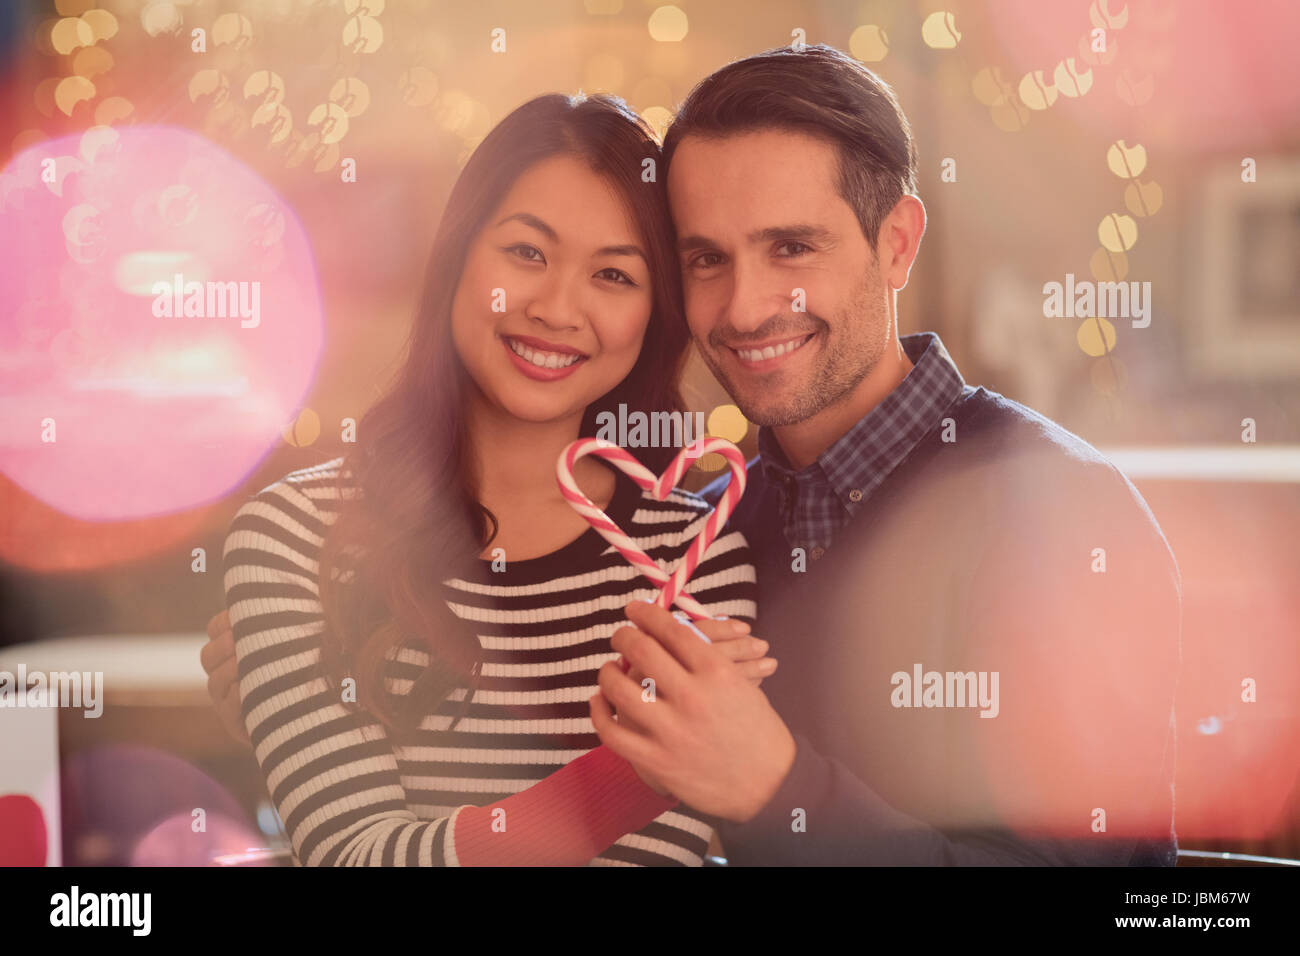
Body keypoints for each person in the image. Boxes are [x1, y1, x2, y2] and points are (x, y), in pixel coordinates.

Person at [588, 44, 1182, 866]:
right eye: (706, 259)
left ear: (897, 243)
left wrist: (779, 791)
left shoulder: (1062, 518)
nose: (746, 307)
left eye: (792, 248)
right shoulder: (702, 539)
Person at [213, 92, 768, 867]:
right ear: (457, 259)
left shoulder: (691, 555)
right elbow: (353, 856)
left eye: (613, 274)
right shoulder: (294, 536)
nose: (556, 308)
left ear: (653, 315)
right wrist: (634, 774)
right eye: (527, 253)